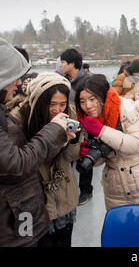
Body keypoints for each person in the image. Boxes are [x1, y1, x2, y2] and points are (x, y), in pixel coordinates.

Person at [0, 35, 72, 247]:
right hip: (0, 233)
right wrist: (54, 131)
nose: (18, 83)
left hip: (17, 223)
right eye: (13, 76)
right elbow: (14, 166)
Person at [75, 74, 139, 221]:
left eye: (92, 99)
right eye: (82, 101)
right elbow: (105, 155)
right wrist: (90, 154)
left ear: (102, 96)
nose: (87, 106)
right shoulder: (87, 120)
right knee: (124, 234)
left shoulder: (126, 108)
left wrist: (101, 131)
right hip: (116, 188)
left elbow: (138, 143)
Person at [10, 73, 82, 247]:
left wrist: (71, 141)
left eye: (62, 104)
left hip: (64, 196)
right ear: (39, 101)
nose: (58, 110)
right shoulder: (18, 120)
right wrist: (51, 135)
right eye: (52, 104)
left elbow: (73, 156)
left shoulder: (69, 115)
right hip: (36, 203)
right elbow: (20, 163)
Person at [59, 48, 91, 205]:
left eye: (63, 62)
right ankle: (68, 192)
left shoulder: (86, 81)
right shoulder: (62, 81)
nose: (61, 65)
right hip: (68, 124)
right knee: (68, 158)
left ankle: (86, 191)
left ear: (72, 64)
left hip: (86, 125)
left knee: (85, 157)